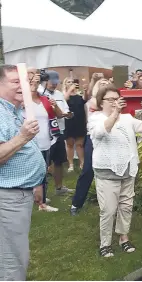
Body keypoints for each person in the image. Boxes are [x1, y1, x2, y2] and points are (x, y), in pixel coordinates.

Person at [88, 85, 142, 257]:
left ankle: (124, 237)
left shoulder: (127, 118)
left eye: (117, 99)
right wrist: (115, 113)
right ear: (101, 102)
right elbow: (101, 132)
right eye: (111, 100)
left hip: (128, 169)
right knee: (108, 209)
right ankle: (105, 243)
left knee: (126, 206)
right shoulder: (96, 118)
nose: (115, 102)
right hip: (107, 171)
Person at [0, 64, 46, 281]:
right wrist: (23, 137)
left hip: (21, 193)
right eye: (15, 82)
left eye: (24, 81)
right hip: (7, 198)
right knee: (12, 261)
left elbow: (25, 152)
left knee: (17, 254)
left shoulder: (15, 110)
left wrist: (35, 183)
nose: (23, 86)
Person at [70, 78, 110, 216]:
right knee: (88, 171)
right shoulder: (91, 102)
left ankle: (109, 204)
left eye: (107, 84)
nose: (104, 86)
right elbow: (99, 107)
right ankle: (76, 203)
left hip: (110, 138)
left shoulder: (113, 102)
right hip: (94, 139)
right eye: (101, 84)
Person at [28, 69, 64, 212]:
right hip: (29, 142)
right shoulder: (22, 100)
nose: (35, 85)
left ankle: (41, 200)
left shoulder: (44, 99)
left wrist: (54, 106)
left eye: (37, 82)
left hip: (45, 141)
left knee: (43, 171)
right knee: (31, 171)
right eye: (32, 82)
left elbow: (59, 115)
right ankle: (34, 199)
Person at [38, 70, 74, 195]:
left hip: (59, 131)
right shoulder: (38, 93)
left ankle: (59, 188)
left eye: (56, 82)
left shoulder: (58, 94)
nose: (54, 85)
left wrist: (68, 114)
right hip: (44, 133)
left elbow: (65, 111)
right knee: (43, 163)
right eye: (51, 82)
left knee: (59, 161)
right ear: (45, 81)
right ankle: (41, 192)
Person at [63, 77, 88, 172]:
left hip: (80, 121)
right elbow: (65, 100)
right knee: (69, 144)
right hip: (69, 121)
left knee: (80, 144)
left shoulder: (79, 95)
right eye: (68, 82)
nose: (71, 83)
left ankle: (82, 163)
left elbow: (85, 100)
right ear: (65, 84)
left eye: (72, 82)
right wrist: (69, 89)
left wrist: (85, 91)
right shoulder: (64, 95)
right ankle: (71, 164)